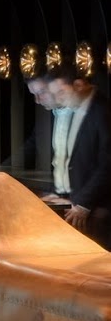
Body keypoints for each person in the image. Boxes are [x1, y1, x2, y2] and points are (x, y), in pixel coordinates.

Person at [46, 58, 111, 245]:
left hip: (100, 208)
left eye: (61, 92)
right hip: (78, 200)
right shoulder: (76, 110)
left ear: (79, 85)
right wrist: (60, 193)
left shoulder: (103, 111)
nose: (58, 99)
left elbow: (107, 164)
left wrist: (84, 203)